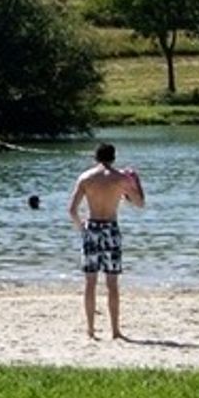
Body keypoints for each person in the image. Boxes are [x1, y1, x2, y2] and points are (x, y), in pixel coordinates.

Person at [67, 142, 146, 340]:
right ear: (114, 157)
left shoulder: (85, 178)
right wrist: (136, 182)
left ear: (95, 157)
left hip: (92, 227)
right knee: (112, 283)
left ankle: (91, 330)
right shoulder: (121, 178)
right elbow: (140, 203)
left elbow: (72, 210)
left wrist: (80, 226)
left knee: (90, 282)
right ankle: (115, 330)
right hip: (110, 228)